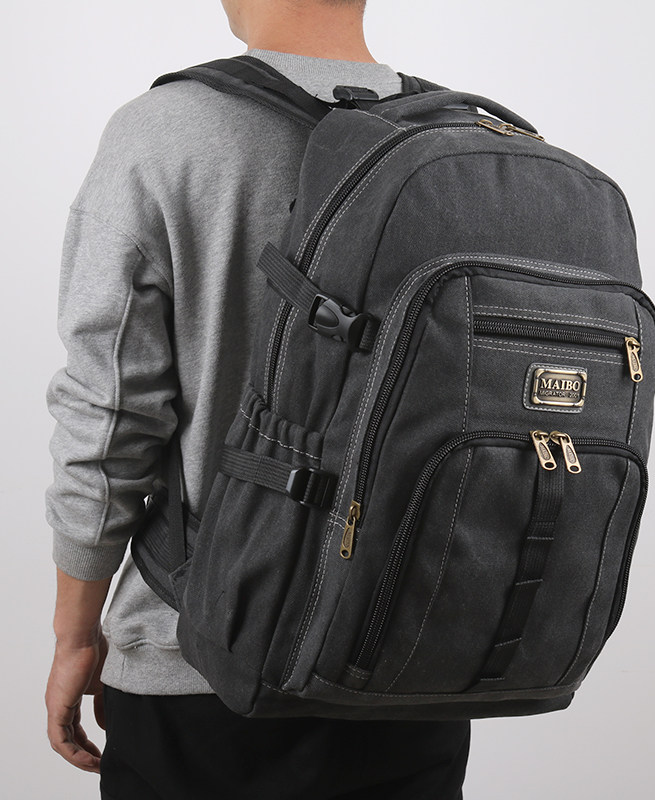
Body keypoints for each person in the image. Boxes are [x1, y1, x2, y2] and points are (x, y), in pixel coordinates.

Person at [44, 1, 471, 797]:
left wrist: (75, 634)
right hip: (403, 669)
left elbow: (109, 416)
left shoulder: (165, 132)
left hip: (199, 665)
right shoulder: (460, 146)